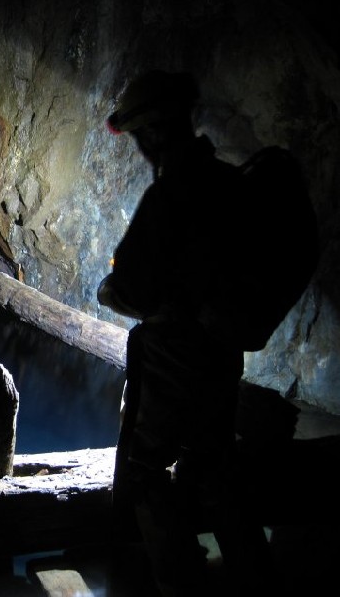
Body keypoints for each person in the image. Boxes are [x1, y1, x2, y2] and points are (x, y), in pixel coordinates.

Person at [98, 70, 275, 596]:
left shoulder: (169, 197)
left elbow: (132, 289)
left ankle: (179, 583)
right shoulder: (231, 185)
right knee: (216, 468)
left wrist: (108, 291)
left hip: (173, 363)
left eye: (138, 137)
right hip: (221, 362)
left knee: (148, 472)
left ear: (152, 134)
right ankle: (256, 580)